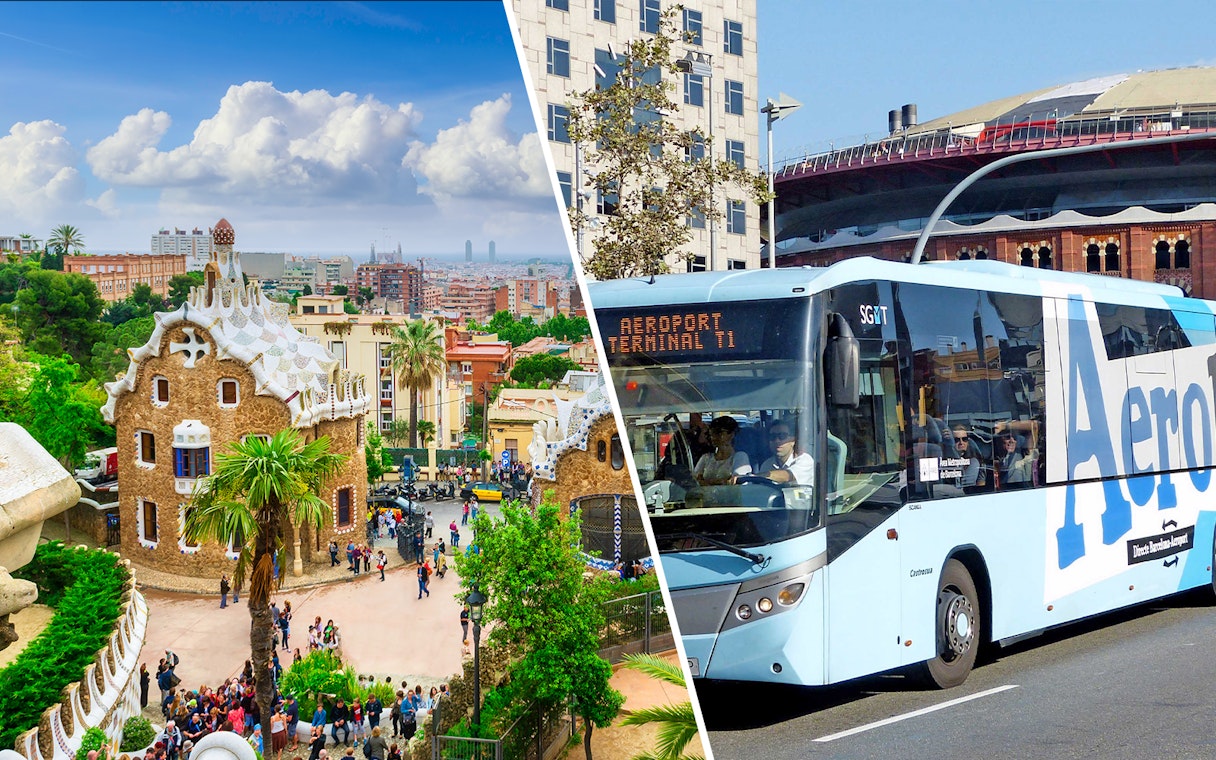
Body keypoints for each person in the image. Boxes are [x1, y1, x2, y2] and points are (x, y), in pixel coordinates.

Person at [692, 415, 752, 485]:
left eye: (719, 433)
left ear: (731, 434)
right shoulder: (706, 458)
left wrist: (706, 482)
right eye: (712, 433)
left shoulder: (740, 457)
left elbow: (736, 481)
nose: (713, 437)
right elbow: (694, 480)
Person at [757, 420, 814, 484]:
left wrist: (756, 477)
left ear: (793, 441)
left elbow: (788, 476)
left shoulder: (805, 460)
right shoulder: (767, 464)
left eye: (782, 436)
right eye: (772, 437)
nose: (777, 441)